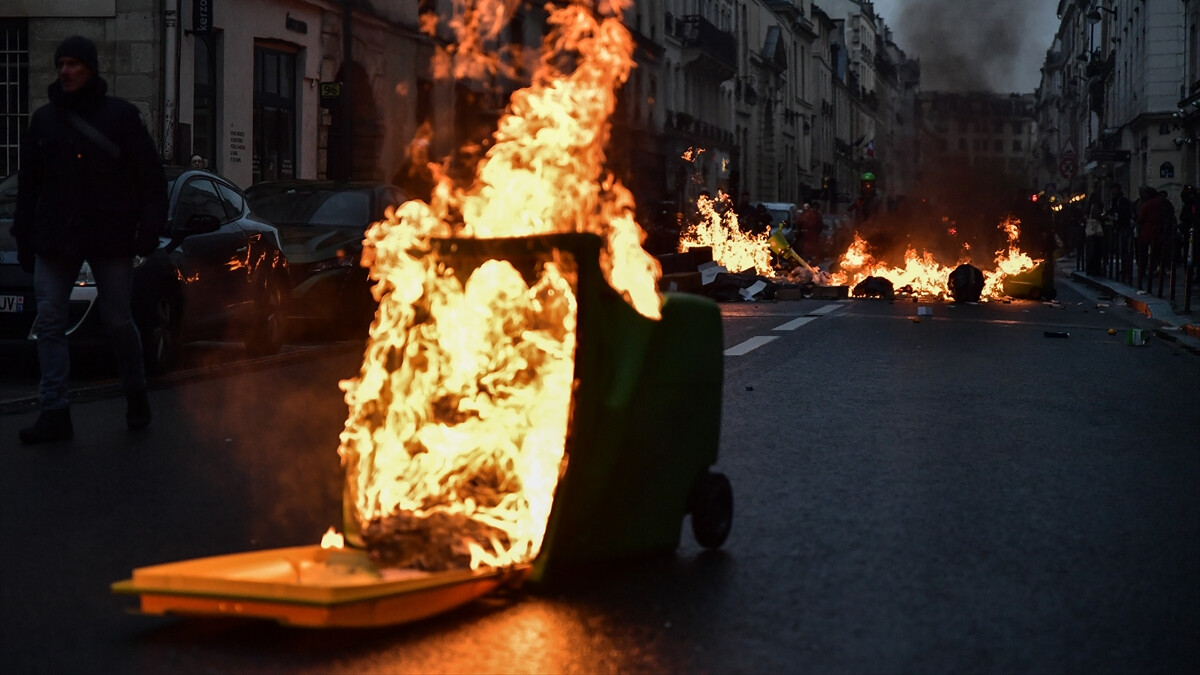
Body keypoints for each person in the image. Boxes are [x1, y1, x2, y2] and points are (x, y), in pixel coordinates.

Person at [11, 35, 168, 445]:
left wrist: (149, 226)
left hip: (108, 235)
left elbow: (150, 175)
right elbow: (29, 184)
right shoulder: (44, 121)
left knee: (117, 321)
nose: (65, 71)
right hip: (56, 236)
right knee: (49, 320)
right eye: (61, 64)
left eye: (73, 64)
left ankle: (135, 392)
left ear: (90, 68)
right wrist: (24, 235)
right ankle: (54, 410)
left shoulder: (120, 117)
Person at [1134, 186, 1167, 291]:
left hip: (1146, 230)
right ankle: (1155, 268)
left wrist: (1138, 221)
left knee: (1143, 252)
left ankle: (1143, 270)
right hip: (1157, 230)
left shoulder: (1146, 204)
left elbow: (1141, 217)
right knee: (1156, 252)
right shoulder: (1158, 203)